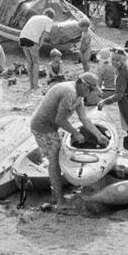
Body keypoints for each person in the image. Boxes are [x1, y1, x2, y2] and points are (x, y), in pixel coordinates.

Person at [31, 72, 102, 201]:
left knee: (59, 155)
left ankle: (56, 194)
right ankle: (59, 200)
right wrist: (75, 133)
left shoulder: (79, 95)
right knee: (55, 161)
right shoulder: (69, 92)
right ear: (84, 86)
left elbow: (84, 119)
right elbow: (60, 120)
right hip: (42, 127)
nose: (92, 93)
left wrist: (99, 135)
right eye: (91, 90)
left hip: (52, 127)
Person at [19, 8, 57, 89]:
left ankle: (31, 85)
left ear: (44, 13)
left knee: (30, 62)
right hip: (31, 40)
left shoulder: (34, 17)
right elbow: (44, 35)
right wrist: (39, 45)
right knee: (36, 63)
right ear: (51, 16)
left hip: (22, 38)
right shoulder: (49, 20)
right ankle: (35, 86)